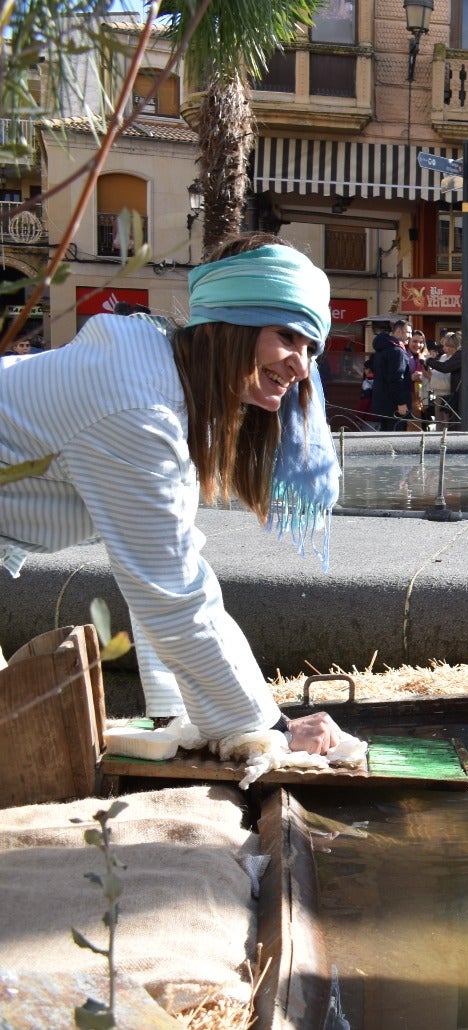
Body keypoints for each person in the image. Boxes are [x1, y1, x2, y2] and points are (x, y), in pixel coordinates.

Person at [0, 233, 343, 753]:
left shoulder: (165, 379)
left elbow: (161, 559)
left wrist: (173, 718)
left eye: (311, 348)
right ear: (231, 324)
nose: (301, 366)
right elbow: (168, 587)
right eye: (288, 337)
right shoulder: (139, 408)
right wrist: (264, 731)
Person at [425, 330, 468, 430]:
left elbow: (445, 367)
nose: (446, 348)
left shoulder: (463, 353)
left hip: (464, 394)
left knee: (461, 427)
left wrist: (428, 360)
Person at [368, 319, 411, 431]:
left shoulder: (383, 348)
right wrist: (401, 402)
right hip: (395, 406)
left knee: (386, 438)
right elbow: (396, 379)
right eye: (408, 332)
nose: (410, 336)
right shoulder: (397, 351)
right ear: (399, 331)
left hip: (383, 403)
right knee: (396, 440)